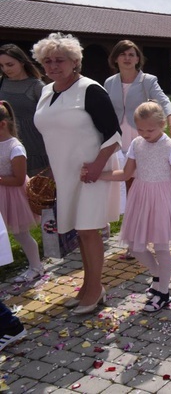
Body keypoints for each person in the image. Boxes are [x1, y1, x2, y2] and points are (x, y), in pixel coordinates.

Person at [33, 32, 121, 315]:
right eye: (47, 61)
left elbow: (114, 134)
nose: (53, 66)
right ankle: (88, 286)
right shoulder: (47, 91)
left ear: (75, 61)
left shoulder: (90, 89)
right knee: (81, 232)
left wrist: (97, 165)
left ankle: (95, 289)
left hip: (91, 171)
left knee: (87, 229)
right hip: (65, 172)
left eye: (60, 60)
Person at [93, 102, 171, 312]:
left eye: (150, 130)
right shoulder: (136, 144)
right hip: (141, 198)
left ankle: (162, 291)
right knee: (136, 246)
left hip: (162, 199)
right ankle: (157, 275)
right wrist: (99, 175)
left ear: (162, 124)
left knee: (161, 246)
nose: (145, 134)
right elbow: (126, 174)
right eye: (140, 129)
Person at [104, 40, 171, 148]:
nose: (127, 58)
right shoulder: (109, 83)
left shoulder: (148, 81)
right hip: (116, 138)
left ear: (137, 59)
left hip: (141, 135)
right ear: (115, 58)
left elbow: (164, 101)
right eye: (122, 54)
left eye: (131, 55)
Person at [0, 102, 44, 283]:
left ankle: (36, 266)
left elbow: (18, 179)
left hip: (13, 195)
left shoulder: (15, 147)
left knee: (21, 234)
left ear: (3, 124)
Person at [0, 44, 49, 175]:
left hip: (34, 145)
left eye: (9, 64)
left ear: (21, 62)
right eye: (2, 66)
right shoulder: (1, 83)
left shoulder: (37, 86)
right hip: (6, 145)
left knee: (35, 192)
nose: (5, 69)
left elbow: (50, 118)